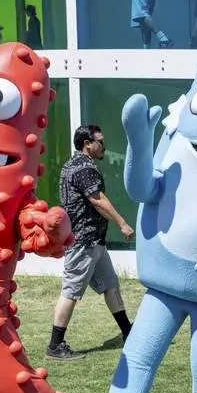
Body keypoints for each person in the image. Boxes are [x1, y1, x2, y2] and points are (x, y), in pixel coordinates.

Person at [48, 124, 135, 361]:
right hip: (83, 241)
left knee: (110, 285)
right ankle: (55, 346)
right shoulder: (83, 167)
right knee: (71, 291)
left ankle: (128, 331)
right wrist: (122, 223)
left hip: (93, 240)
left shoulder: (75, 165)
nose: (103, 146)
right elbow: (98, 200)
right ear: (87, 144)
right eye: (100, 141)